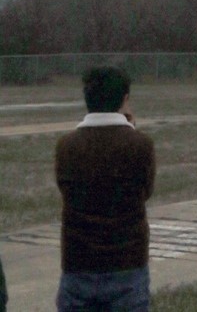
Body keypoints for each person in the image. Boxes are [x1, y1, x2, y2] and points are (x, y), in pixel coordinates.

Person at [55, 66, 155, 311]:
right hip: (127, 263)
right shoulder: (140, 144)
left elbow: (65, 189)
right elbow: (146, 191)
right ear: (125, 99)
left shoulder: (66, 146)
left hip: (78, 264)